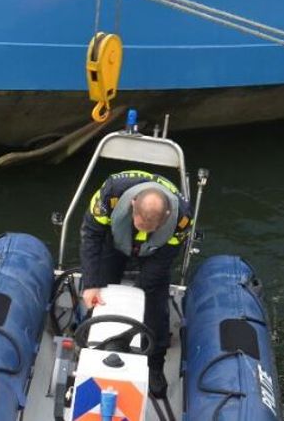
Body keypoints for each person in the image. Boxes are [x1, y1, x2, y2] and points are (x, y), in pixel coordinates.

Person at [80, 169, 192, 398]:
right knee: (98, 294)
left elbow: (165, 257)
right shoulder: (108, 197)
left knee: (154, 306)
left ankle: (155, 365)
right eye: (140, 223)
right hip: (116, 239)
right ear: (132, 204)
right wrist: (91, 283)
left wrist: (139, 293)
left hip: (156, 250)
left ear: (167, 214)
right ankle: (90, 349)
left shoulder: (181, 218)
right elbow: (91, 234)